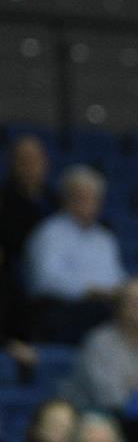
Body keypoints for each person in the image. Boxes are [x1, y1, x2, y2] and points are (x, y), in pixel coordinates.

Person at [22, 164, 125, 343]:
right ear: (66, 199)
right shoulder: (49, 233)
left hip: (103, 307)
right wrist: (87, 291)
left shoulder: (105, 239)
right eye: (81, 197)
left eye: (94, 198)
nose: (89, 204)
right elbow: (44, 280)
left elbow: (117, 277)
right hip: (61, 309)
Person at [64, 277, 138, 412]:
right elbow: (110, 399)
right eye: (137, 302)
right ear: (120, 308)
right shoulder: (99, 342)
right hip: (92, 414)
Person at [0, 134, 51, 363]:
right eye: (23, 160)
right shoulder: (4, 199)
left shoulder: (54, 200)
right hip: (13, 272)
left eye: (35, 160)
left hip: (46, 277)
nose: (30, 166)